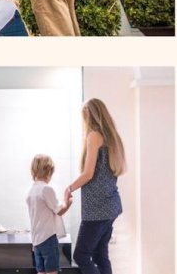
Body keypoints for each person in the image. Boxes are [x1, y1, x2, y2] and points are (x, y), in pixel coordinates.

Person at [64, 99, 126, 274]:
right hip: (111, 205)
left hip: (97, 209)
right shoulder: (113, 137)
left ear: (90, 116)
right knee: (100, 255)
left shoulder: (94, 135)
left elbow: (88, 174)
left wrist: (69, 188)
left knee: (81, 255)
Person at [27, 154, 73, 274]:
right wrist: (68, 202)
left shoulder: (31, 192)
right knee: (52, 271)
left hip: (36, 241)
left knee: (41, 272)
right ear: (49, 170)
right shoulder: (46, 189)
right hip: (48, 238)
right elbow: (59, 210)